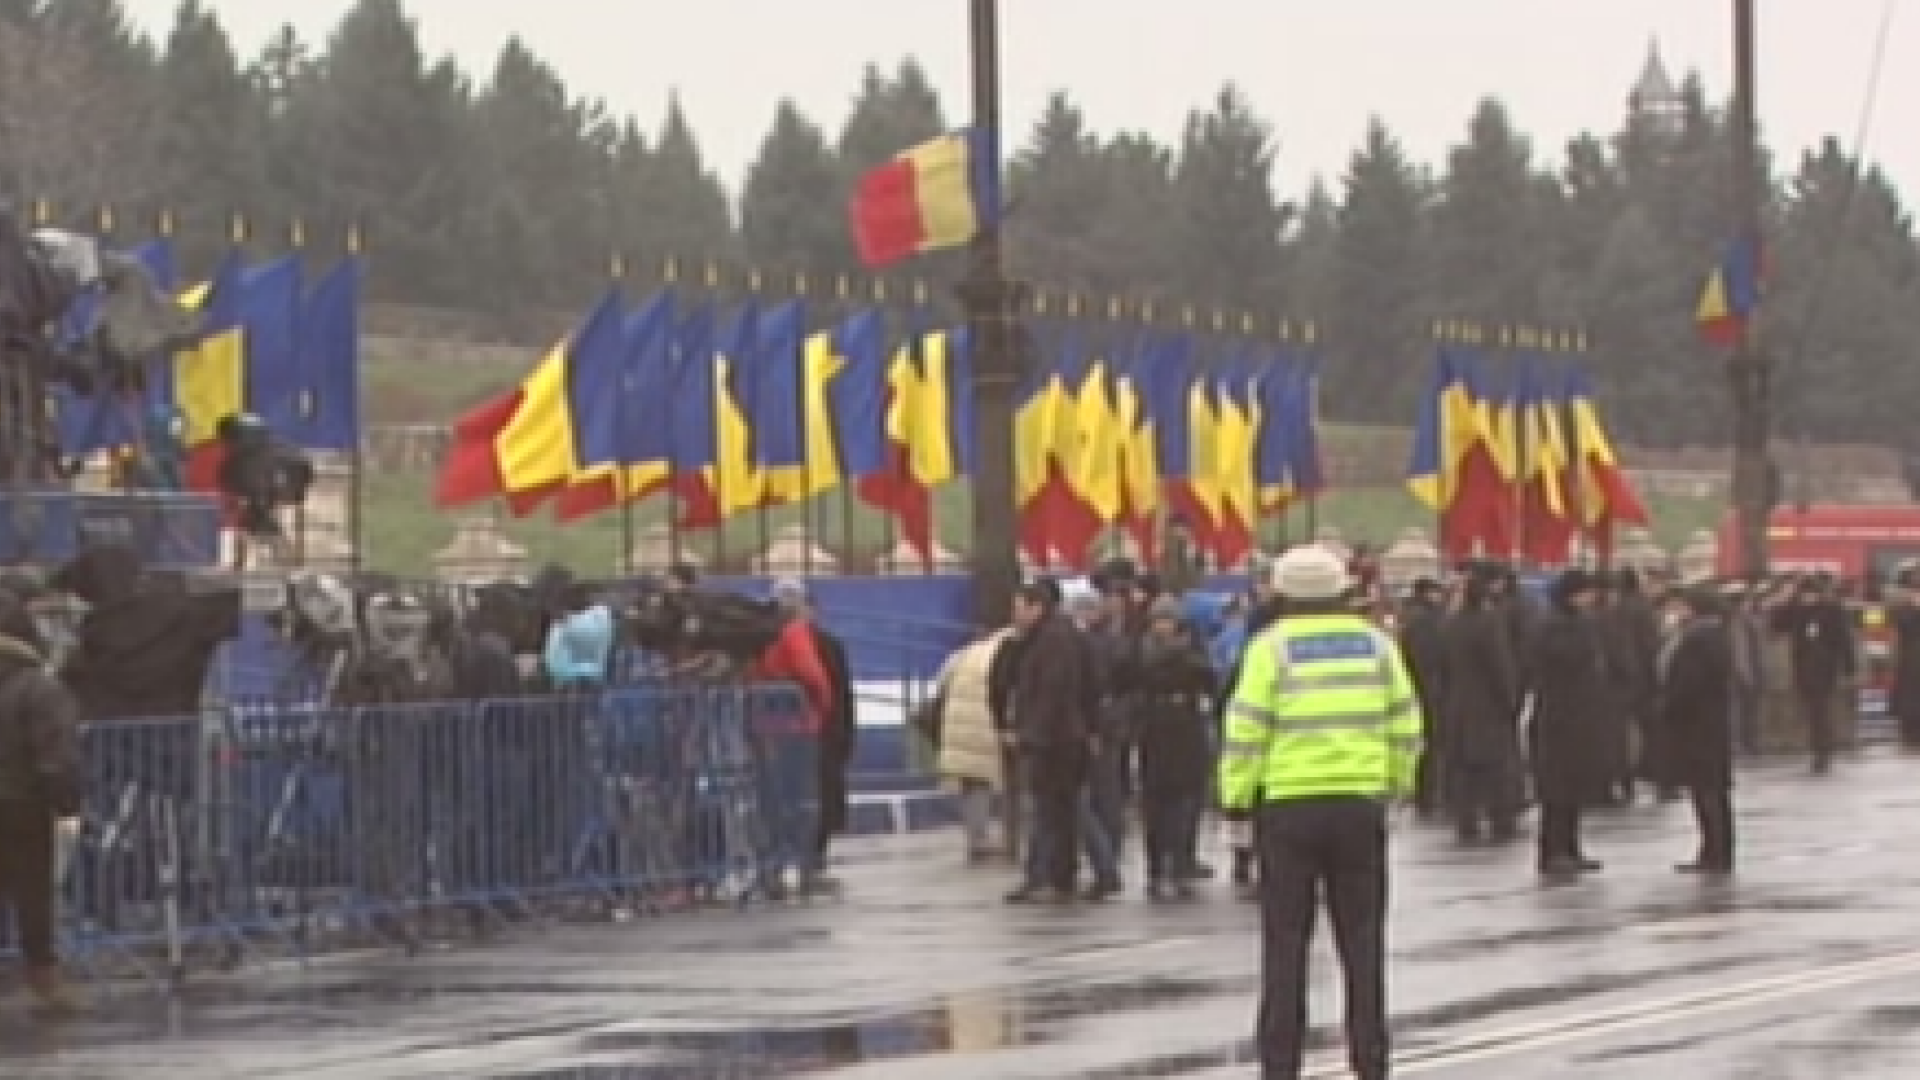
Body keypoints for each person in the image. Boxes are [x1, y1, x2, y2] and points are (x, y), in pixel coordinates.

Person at [1220, 546, 1423, 1080]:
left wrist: (1236, 800)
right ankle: (1371, 1060)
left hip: (1288, 807)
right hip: (1358, 804)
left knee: (1286, 947)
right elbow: (1406, 722)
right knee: (1362, 945)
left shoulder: (1270, 649)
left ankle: (1281, 1065)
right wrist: (1395, 785)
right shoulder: (1376, 645)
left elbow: (1245, 730)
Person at [0, 593, 85, 1016]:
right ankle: (43, 979)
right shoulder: (39, 688)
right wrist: (67, 803)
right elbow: (56, 754)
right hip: (23, 804)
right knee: (33, 895)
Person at [998, 580, 1097, 905]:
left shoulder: (1053, 641)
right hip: (1063, 737)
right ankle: (1057, 875)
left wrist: (1032, 734)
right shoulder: (1047, 638)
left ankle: (1049, 876)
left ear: (1036, 608)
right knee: (1059, 812)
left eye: (1019, 608)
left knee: (1051, 812)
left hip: (1056, 741)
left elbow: (1052, 693)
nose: (1014, 615)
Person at [1121, 596, 1217, 900]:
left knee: (1185, 802)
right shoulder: (1140, 649)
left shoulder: (1191, 651)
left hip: (1185, 729)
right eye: (1158, 620)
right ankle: (1157, 865)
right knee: (1155, 803)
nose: (1162, 626)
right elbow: (1126, 679)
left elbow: (1210, 680)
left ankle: (1180, 861)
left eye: (1168, 620)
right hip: (1153, 730)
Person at [1527, 570, 1612, 879]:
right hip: (1558, 717)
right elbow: (1557, 661)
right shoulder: (1553, 625)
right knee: (1556, 790)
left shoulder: (1581, 623)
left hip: (1580, 716)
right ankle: (1553, 851)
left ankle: (1571, 847)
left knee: (1574, 787)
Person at [773, 579, 857, 882]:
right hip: (792, 731)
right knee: (795, 796)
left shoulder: (828, 644)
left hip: (819, 732)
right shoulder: (773, 638)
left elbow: (840, 692)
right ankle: (794, 859)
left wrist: (843, 732)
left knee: (817, 795)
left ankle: (812, 856)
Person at [1655, 587, 1737, 876]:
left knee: (1705, 789)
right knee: (1713, 790)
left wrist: (1668, 706)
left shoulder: (1697, 641)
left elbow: (1688, 683)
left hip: (1696, 724)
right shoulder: (1716, 636)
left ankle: (1714, 852)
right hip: (1711, 722)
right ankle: (1717, 850)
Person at [935, 626, 1019, 862]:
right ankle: (1006, 840)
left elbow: (941, 685)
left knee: (972, 784)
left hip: (956, 726)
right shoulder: (1007, 653)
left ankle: (976, 839)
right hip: (986, 726)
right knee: (1003, 784)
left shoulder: (963, 654)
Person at [1769, 576, 1857, 774]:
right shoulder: (1796, 609)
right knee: (1811, 709)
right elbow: (1776, 626)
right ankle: (1819, 745)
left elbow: (1844, 638)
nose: (1807, 598)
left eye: (1811, 594)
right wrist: (1784, 600)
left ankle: (1823, 749)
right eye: (1804, 594)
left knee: (1820, 708)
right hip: (1802, 666)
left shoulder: (1832, 610)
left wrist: (1849, 666)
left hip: (1825, 667)